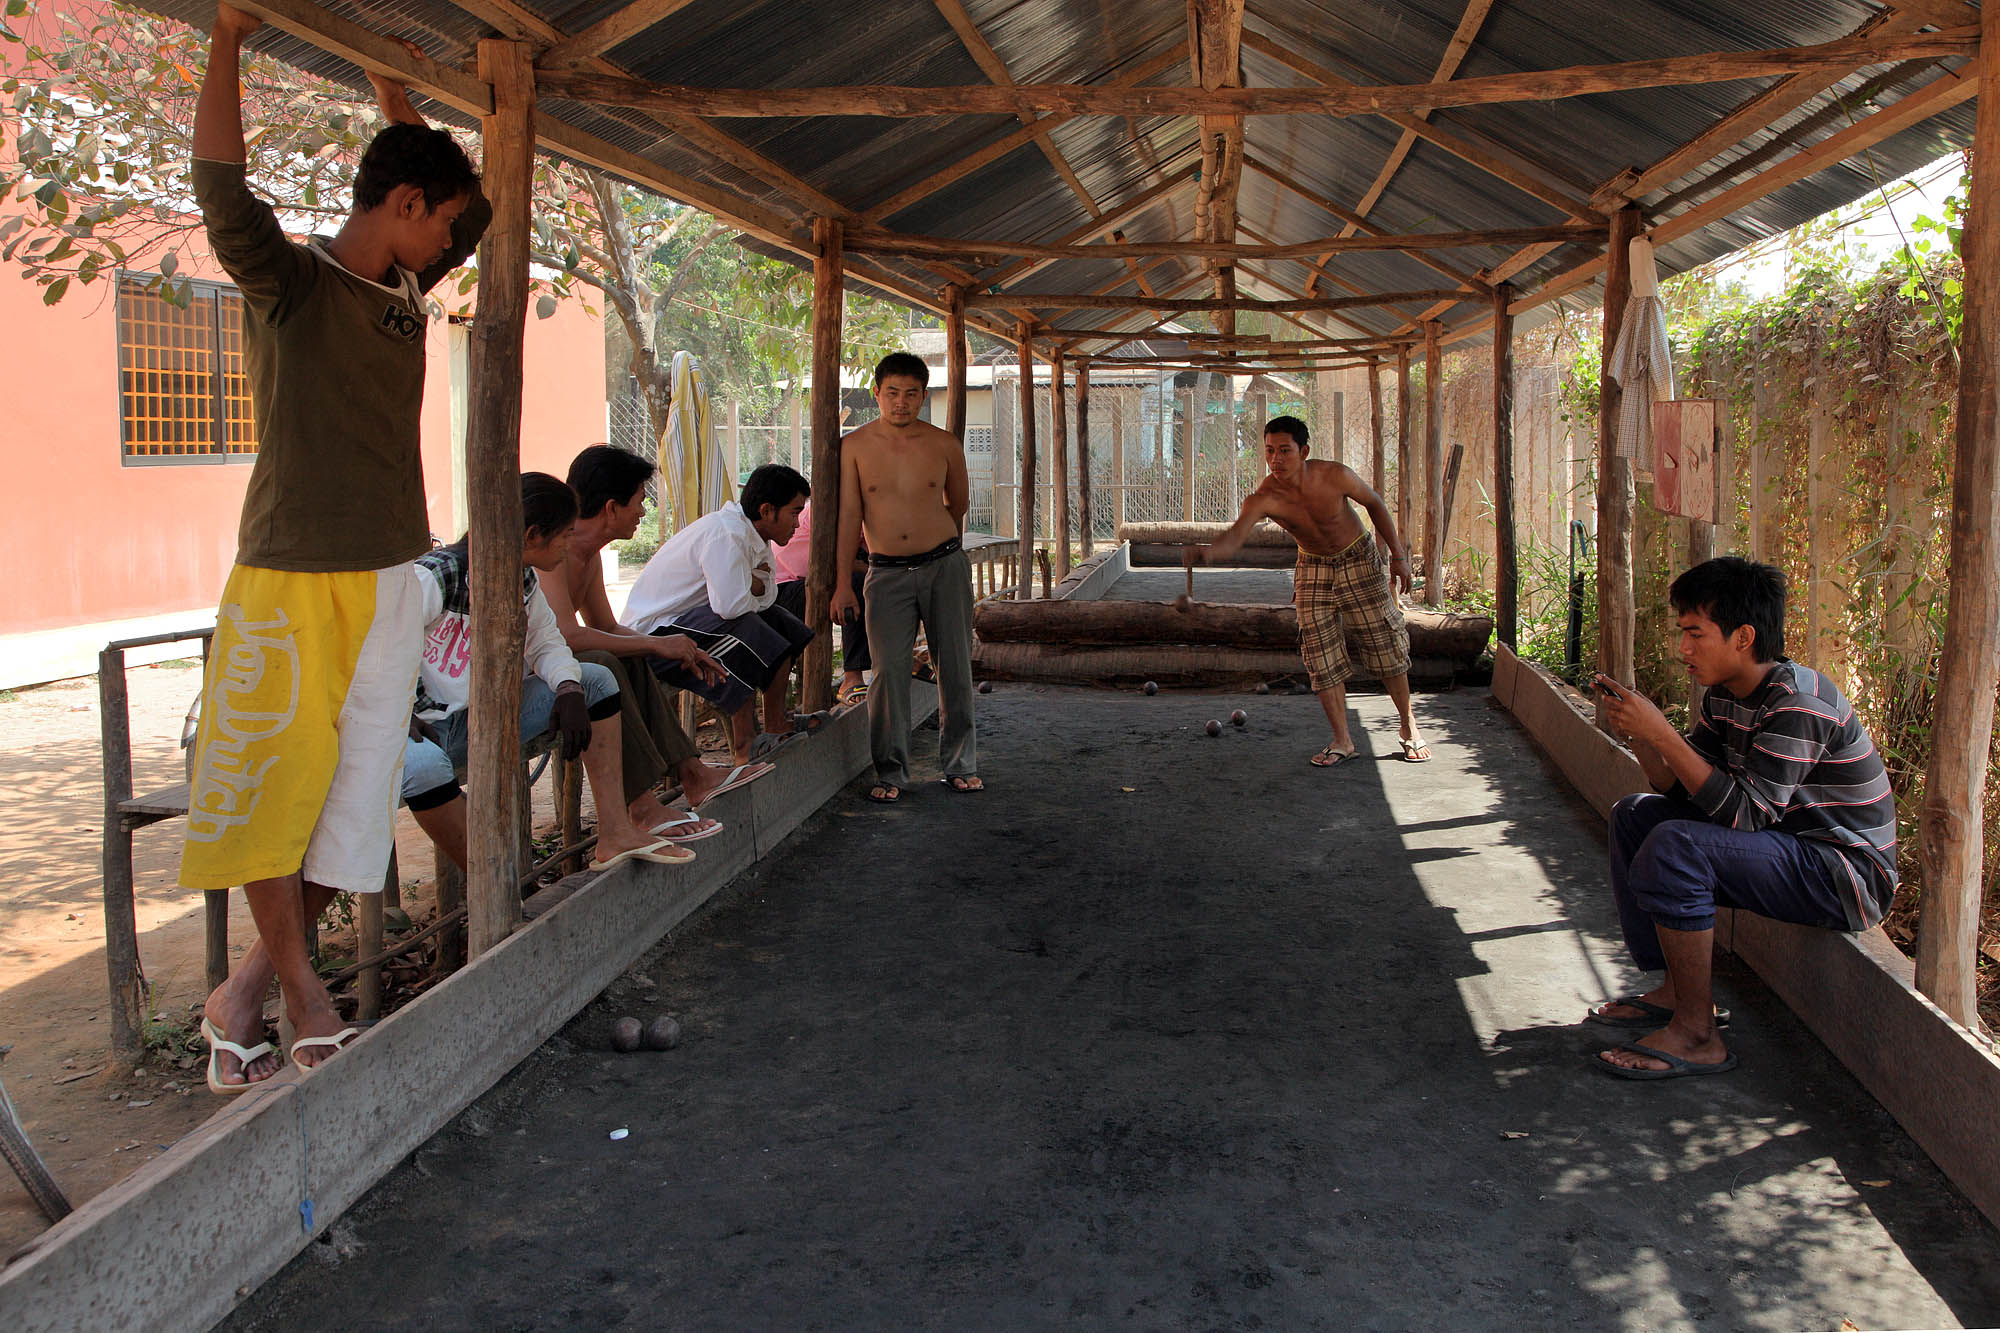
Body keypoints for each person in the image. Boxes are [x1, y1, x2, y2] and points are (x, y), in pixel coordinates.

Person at [182, 3, 490, 1092]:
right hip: (291, 577)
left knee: (353, 810)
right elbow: (222, 192)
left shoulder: (406, 294)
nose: (454, 245)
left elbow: (476, 202)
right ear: (405, 205)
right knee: (279, 793)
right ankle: (302, 994)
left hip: (391, 579)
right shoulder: (291, 284)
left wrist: (388, 93)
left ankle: (245, 997)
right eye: (439, 224)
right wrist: (227, 36)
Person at [1590, 557, 1897, 1080]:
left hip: (1844, 874)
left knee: (1675, 846)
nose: (1683, 648)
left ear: (1743, 636)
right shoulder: (1725, 696)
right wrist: (1643, 738)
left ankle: (1697, 1036)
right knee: (1636, 816)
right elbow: (1679, 793)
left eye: (1695, 634)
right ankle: (1675, 994)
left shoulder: (1798, 702)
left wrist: (1663, 733)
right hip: (1788, 848)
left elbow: (1746, 815)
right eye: (1682, 633)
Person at [1187, 416, 1428, 769]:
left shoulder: (1334, 475)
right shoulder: (1264, 497)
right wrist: (1206, 552)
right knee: (1318, 651)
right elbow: (1236, 536)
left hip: (1358, 555)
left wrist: (1398, 556)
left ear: (1304, 451)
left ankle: (1409, 727)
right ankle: (1343, 740)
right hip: (1312, 565)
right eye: (1269, 451)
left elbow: (1374, 502)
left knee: (1383, 642)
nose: (1276, 460)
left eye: (1285, 451)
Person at [545, 445, 770, 812]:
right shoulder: (554, 552)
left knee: (630, 656)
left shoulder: (589, 554)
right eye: (639, 501)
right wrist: (655, 646)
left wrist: (675, 645)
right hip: (542, 673)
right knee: (607, 663)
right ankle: (639, 807)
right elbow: (568, 636)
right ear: (611, 508)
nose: (643, 511)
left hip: (562, 666)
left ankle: (691, 774)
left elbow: (605, 625)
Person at [829, 352, 980, 802]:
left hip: (944, 565)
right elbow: (849, 518)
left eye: (911, 394)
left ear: (923, 395)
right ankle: (891, 772)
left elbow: (958, 502)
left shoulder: (944, 443)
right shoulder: (854, 446)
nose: (901, 403)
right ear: (876, 393)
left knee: (953, 666)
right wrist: (841, 583)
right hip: (886, 573)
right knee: (887, 672)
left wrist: (938, 548)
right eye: (892, 393)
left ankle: (960, 764)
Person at [623, 464, 818, 766]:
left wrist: (749, 586)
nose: (798, 523)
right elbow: (731, 607)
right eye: (794, 513)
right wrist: (749, 586)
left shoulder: (753, 535)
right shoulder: (726, 534)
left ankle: (776, 722)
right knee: (746, 631)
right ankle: (745, 745)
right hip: (655, 635)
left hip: (695, 620)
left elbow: (767, 596)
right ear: (767, 511)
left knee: (783, 626)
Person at [773, 500, 869, 706]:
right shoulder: (820, 512)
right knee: (857, 585)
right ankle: (852, 676)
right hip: (786, 589)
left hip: (817, 584)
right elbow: (830, 562)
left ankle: (894, 662)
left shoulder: (867, 517)